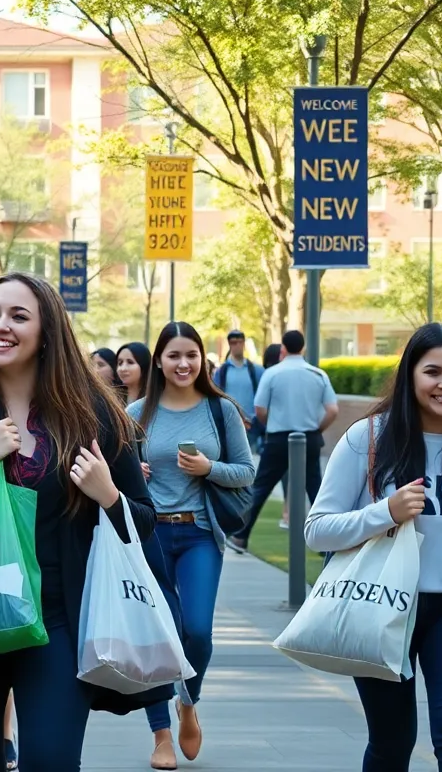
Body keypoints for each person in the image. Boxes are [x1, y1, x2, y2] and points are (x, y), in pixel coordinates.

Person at [0, 273, 153, 771]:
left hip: (58, 621)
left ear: (48, 331)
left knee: (52, 761)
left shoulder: (94, 413)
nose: (0, 326)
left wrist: (107, 494)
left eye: (19, 316)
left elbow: (142, 522)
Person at [307, 322, 442, 770]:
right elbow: (317, 530)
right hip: (379, 605)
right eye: (433, 372)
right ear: (411, 376)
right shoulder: (368, 438)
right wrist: (384, 511)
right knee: (392, 740)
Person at [128, 322, 256, 770]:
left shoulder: (220, 411)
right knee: (156, 635)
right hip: (150, 535)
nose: (183, 364)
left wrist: (209, 468)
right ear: (159, 361)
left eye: (191, 356)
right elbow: (117, 476)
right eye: (173, 356)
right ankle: (160, 734)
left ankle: (189, 700)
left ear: (203, 360)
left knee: (197, 631)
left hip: (201, 533)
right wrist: (134, 473)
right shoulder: (137, 412)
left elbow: (246, 471)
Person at [228, 330, 339, 552]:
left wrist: (273, 423)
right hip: (309, 437)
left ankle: (240, 536)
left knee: (260, 487)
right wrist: (317, 429)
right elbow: (332, 410)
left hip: (279, 438)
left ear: (283, 349)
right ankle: (328, 545)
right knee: (316, 490)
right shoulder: (318, 375)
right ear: (303, 347)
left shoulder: (272, 374)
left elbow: (260, 409)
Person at [213, 330, 264, 452]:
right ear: (229, 345)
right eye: (234, 343)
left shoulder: (256, 370)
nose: (237, 346)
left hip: (252, 424)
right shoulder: (221, 372)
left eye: (240, 342)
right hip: (229, 425)